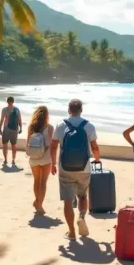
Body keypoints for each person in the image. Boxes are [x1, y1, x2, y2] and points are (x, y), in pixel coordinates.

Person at [50, 99, 100, 240]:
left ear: (69, 110)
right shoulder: (89, 126)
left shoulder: (60, 125)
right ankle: (82, 217)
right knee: (83, 196)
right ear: (81, 110)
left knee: (67, 200)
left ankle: (71, 232)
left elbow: (53, 146)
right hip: (84, 168)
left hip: (65, 168)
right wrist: (97, 159)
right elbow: (94, 147)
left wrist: (53, 163)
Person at [27, 106, 54, 214]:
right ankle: (39, 205)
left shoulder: (31, 127)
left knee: (36, 181)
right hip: (46, 157)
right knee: (43, 182)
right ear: (47, 116)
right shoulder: (50, 127)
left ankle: (38, 202)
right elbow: (51, 145)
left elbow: (27, 144)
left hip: (33, 157)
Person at [0, 96, 23, 167]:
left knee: (5, 144)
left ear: (7, 101)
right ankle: (13, 159)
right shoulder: (16, 109)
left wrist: (0, 129)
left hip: (6, 129)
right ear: (13, 101)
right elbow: (19, 119)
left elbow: (2, 119)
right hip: (14, 129)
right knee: (14, 145)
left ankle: (5, 159)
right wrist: (21, 128)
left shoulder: (4, 109)